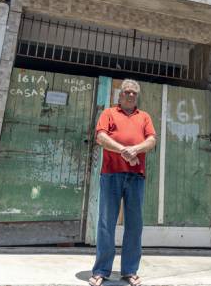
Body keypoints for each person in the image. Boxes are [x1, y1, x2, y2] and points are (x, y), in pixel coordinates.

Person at [89, 79, 156, 286]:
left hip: (136, 176)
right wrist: (124, 151)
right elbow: (100, 137)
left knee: (134, 225)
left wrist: (135, 150)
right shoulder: (109, 113)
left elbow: (152, 140)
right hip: (111, 174)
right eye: (126, 92)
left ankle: (129, 270)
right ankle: (101, 270)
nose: (130, 95)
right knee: (106, 222)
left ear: (137, 96)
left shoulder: (144, 116)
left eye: (134, 93)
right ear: (120, 95)